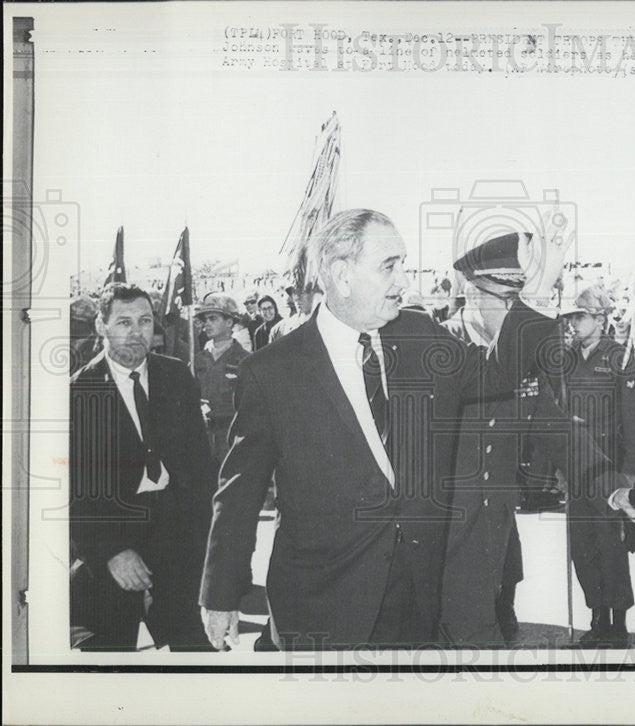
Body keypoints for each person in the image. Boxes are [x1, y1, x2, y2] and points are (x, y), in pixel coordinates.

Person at [199, 208, 567, 651]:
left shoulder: (420, 335)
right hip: (321, 605)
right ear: (342, 274)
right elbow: (240, 490)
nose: (404, 282)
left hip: (415, 599)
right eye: (389, 266)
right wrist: (221, 595)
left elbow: (497, 373)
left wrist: (540, 291)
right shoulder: (273, 370)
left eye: (404, 264)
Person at [440, 232, 620, 646]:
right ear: (471, 291)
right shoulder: (440, 345)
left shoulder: (522, 358)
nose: (514, 311)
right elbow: (491, 372)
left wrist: (613, 488)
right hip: (443, 541)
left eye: (519, 300)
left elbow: (555, 426)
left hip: (493, 537)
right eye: (507, 299)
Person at [70, 283, 216, 651]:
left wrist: (208, 543)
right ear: (101, 326)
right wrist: (110, 552)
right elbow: (72, 492)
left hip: (178, 535)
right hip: (115, 537)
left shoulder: (177, 376)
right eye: (123, 322)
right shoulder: (78, 392)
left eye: (145, 321)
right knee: (110, 659)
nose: (136, 332)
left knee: (196, 656)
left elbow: (202, 469)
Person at [561, 284, 635, 645]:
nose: (572, 324)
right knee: (582, 548)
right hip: (577, 471)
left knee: (612, 548)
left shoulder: (621, 358)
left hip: (610, 468)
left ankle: (618, 621)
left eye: (579, 316)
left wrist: (628, 476)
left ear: (600, 319)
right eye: (569, 317)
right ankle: (596, 615)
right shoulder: (566, 359)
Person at [193, 293, 251, 463]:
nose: (207, 323)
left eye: (213, 318)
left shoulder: (245, 360)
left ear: (229, 322)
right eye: (206, 319)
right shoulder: (198, 359)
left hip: (232, 442)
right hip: (203, 441)